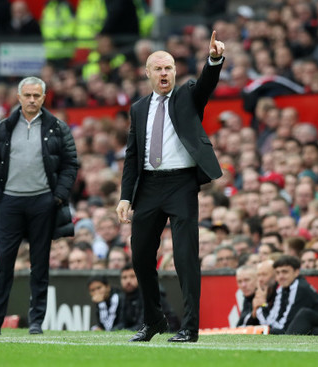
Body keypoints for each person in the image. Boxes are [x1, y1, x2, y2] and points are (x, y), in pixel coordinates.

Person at [116, 31, 225, 343]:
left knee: (185, 257)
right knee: (140, 256)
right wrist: (126, 196)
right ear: (147, 73)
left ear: (175, 72)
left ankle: (190, 327)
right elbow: (132, 155)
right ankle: (154, 321)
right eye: (158, 69)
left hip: (181, 184)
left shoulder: (187, 94)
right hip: (148, 185)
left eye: (169, 68)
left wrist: (214, 60)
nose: (164, 73)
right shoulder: (138, 108)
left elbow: (207, 84)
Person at [0, 76, 78, 335]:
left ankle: (36, 322)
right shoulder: (3, 128)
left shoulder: (57, 127)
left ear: (44, 98)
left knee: (40, 264)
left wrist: (58, 196)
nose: (32, 100)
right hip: (9, 202)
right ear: (19, 97)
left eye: (37, 95)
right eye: (28, 95)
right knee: (3, 263)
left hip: (43, 202)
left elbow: (70, 163)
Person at [255, 255, 318, 334]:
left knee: (305, 314)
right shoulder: (282, 288)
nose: (280, 276)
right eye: (278, 273)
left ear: (296, 272)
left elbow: (284, 327)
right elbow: (273, 321)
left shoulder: (300, 287)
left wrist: (262, 305)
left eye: (285, 272)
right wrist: (262, 306)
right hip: (301, 329)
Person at [119, 263, 180, 332]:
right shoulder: (123, 296)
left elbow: (143, 324)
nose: (128, 281)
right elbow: (122, 322)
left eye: (132, 276)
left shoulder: (149, 294)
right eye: (124, 278)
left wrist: (124, 330)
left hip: (169, 330)